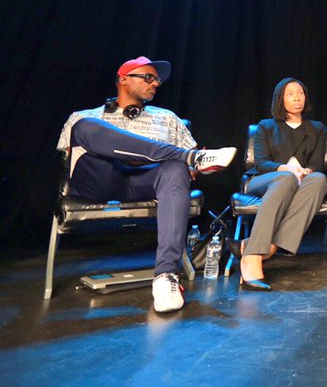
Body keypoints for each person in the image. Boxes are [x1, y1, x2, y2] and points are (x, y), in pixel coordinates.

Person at [56, 56, 236, 313]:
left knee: (176, 168)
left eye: (158, 80)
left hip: (144, 182)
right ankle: (185, 155)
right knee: (85, 128)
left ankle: (165, 277)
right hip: (99, 180)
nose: (156, 83)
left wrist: (190, 165)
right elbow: (69, 157)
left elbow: (191, 173)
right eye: (148, 77)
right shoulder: (85, 116)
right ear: (124, 79)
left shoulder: (168, 118)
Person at [225, 78, 327, 292]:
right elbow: (261, 163)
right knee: (286, 178)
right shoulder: (266, 126)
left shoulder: (316, 128)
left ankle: (264, 247)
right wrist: (286, 169)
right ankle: (252, 257)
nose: (297, 97)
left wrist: (305, 171)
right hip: (266, 180)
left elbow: (317, 165)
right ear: (280, 99)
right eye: (290, 94)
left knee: (319, 179)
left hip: (301, 180)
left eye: (300, 92)